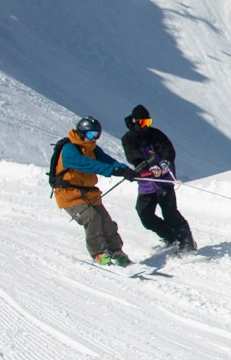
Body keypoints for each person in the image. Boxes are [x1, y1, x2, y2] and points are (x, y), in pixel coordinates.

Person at [53, 116, 136, 266]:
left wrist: (125, 170)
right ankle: (99, 253)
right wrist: (112, 171)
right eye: (91, 134)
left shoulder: (92, 148)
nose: (94, 139)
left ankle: (116, 251)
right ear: (81, 133)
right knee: (92, 218)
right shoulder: (69, 149)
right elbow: (89, 164)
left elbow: (107, 161)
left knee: (106, 221)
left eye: (97, 135)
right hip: (68, 194)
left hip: (89, 193)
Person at [122, 104, 197, 253]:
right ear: (135, 122)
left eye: (148, 122)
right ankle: (170, 237)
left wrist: (165, 162)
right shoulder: (128, 138)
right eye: (143, 122)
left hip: (163, 181)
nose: (146, 126)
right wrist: (148, 166)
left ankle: (187, 245)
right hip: (147, 182)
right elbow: (133, 156)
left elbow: (168, 150)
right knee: (145, 214)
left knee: (170, 213)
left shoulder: (155, 134)